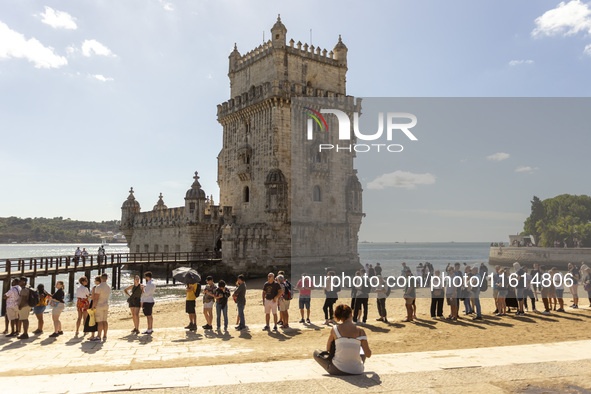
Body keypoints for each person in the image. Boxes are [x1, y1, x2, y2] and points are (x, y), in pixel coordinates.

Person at [313, 304, 371, 375]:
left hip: (337, 369)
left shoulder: (335, 329)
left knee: (316, 352)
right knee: (362, 350)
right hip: (357, 370)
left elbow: (328, 348)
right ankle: (353, 363)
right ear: (351, 314)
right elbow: (368, 354)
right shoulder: (360, 331)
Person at [92, 273, 111, 341]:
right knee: (105, 321)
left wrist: (93, 306)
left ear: (101, 278)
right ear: (107, 278)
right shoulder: (108, 286)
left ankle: (99, 336)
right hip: (106, 304)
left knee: (99, 321)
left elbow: (96, 298)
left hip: (99, 305)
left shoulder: (99, 287)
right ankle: (105, 335)